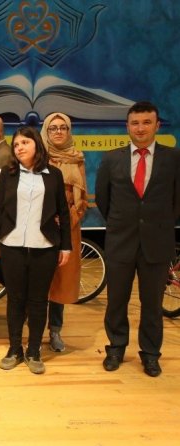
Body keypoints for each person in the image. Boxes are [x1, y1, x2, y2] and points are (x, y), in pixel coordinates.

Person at [95, 101, 180, 378]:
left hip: (157, 242)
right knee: (116, 301)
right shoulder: (111, 159)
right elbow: (104, 200)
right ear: (127, 126)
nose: (140, 128)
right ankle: (116, 348)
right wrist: (123, 223)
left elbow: (177, 201)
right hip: (121, 241)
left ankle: (151, 354)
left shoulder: (173, 158)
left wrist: (158, 224)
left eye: (146, 122)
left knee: (152, 304)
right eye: (135, 123)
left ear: (157, 125)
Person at [0, 126, 71, 374]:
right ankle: (15, 349)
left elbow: (63, 212)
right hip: (12, 246)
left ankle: (34, 350)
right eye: (16, 144)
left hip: (44, 247)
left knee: (38, 301)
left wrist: (66, 246)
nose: (19, 147)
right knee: (15, 300)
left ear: (37, 145)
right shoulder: (8, 173)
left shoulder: (53, 175)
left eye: (25, 143)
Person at [40, 113, 88, 353]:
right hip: (39, 226)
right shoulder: (38, 158)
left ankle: (55, 331)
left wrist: (69, 218)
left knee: (61, 280)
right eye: (53, 128)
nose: (58, 132)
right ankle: (34, 331)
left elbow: (82, 197)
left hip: (68, 226)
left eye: (63, 128)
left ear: (69, 131)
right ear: (46, 132)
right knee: (38, 280)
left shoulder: (77, 158)